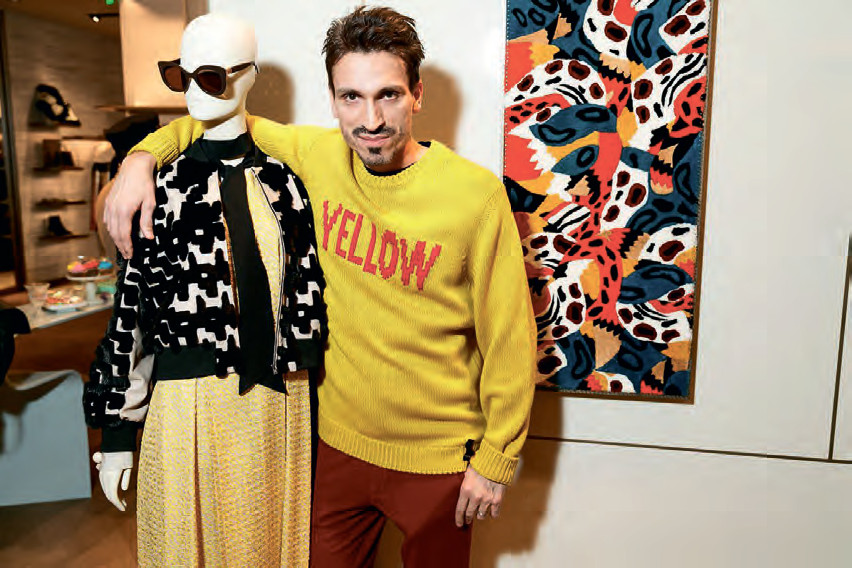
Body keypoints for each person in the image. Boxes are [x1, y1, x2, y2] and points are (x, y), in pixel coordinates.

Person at [106, 6, 535, 567]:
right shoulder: (319, 156)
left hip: (440, 460)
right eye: (351, 97)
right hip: (337, 450)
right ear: (332, 100)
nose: (370, 119)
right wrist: (139, 161)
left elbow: (509, 338)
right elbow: (215, 115)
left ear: (417, 94)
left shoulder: (475, 196)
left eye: (388, 95)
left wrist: (496, 459)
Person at [85, 14, 325, 567]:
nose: (193, 91)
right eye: (180, 75)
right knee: (184, 549)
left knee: (270, 549)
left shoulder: (287, 183)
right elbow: (129, 316)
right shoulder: (158, 188)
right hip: (185, 404)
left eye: (210, 76)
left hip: (280, 405)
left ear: (248, 76)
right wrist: (116, 434)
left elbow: (308, 297)